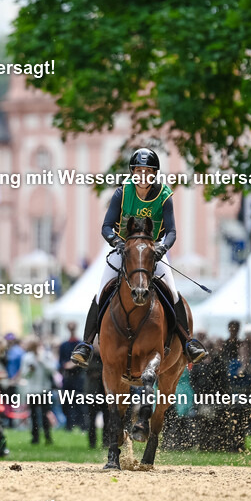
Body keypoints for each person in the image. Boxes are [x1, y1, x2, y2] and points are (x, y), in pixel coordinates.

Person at [71, 148, 207, 367]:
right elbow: (106, 226)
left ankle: (188, 342)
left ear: (154, 174)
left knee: (173, 293)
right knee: (101, 292)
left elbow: (171, 231)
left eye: (147, 171)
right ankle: (86, 345)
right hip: (124, 251)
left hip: (152, 253)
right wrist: (116, 242)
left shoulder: (164, 196)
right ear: (133, 172)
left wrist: (163, 248)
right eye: (139, 171)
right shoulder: (122, 192)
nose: (143, 176)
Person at [18, 337, 53, 445]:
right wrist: (30, 370)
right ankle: (35, 437)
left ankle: (47, 436)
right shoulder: (27, 357)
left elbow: (52, 370)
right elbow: (24, 374)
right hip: (32, 390)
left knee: (44, 414)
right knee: (33, 414)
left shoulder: (46, 355)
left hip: (44, 389)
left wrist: (41, 361)